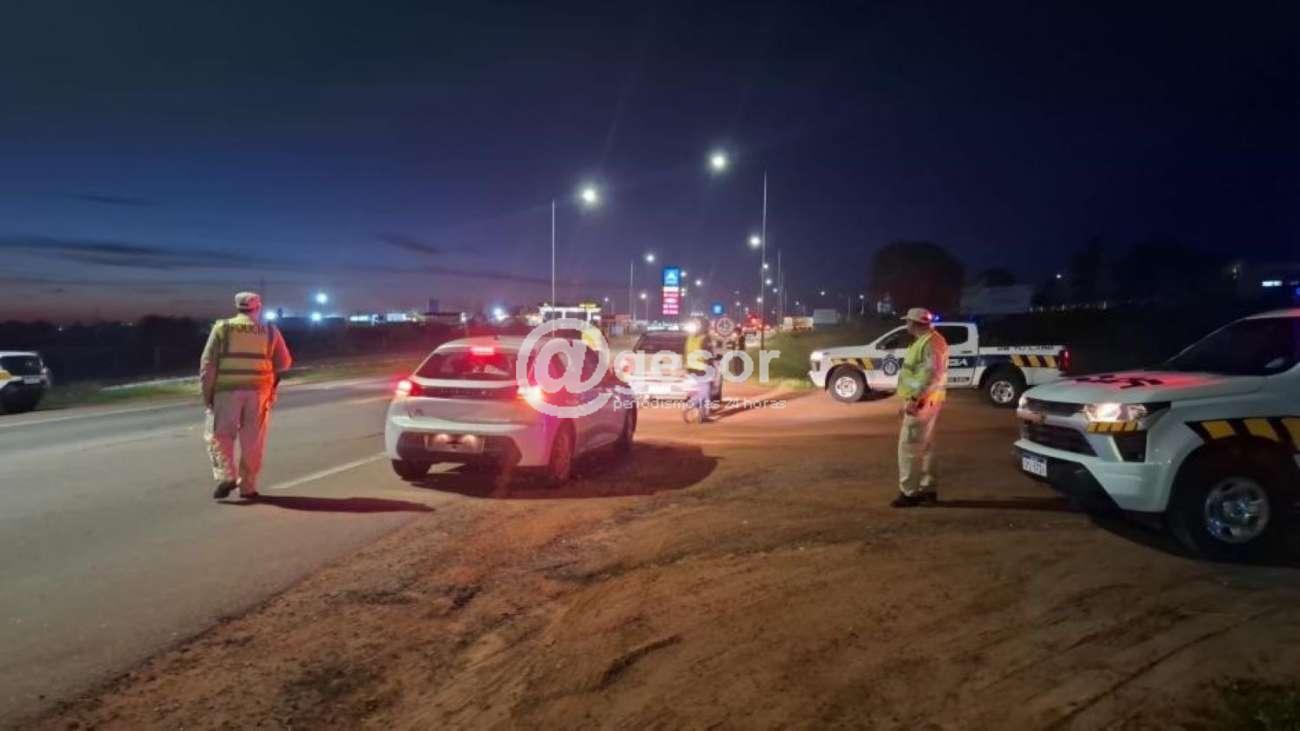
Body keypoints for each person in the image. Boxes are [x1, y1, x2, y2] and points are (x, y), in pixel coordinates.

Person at [200, 292, 293, 500]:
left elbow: (207, 365)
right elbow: (285, 363)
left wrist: (207, 396)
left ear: (237, 307)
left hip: (227, 392)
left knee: (220, 435)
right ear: (258, 308)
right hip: (259, 393)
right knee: (253, 440)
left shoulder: (222, 328)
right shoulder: (270, 330)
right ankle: (248, 487)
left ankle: (227, 476)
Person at [892, 307, 948, 507]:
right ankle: (928, 490)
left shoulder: (929, 342)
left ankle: (909, 493)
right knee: (926, 446)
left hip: (922, 402)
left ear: (915, 323)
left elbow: (932, 375)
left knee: (908, 447)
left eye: (908, 321)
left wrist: (915, 399)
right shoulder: (929, 340)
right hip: (928, 400)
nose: (906, 324)